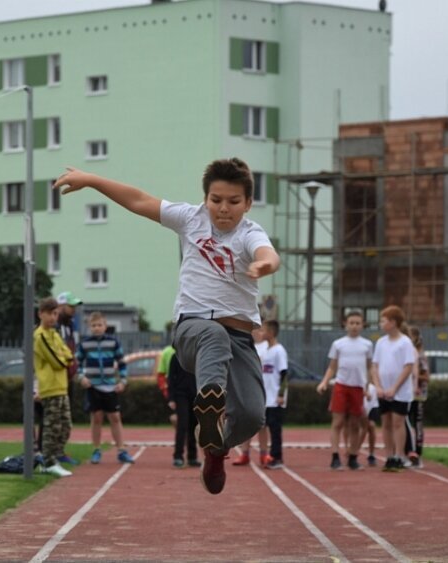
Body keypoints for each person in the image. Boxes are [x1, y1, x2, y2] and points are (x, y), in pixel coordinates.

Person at [55, 158, 280, 494]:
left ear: (248, 203)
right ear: (206, 199)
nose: (223, 209)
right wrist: (91, 179)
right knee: (213, 335)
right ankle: (210, 400)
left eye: (233, 202)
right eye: (216, 200)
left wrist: (264, 264)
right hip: (193, 331)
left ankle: (215, 448)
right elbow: (139, 200)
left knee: (251, 415)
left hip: (239, 336)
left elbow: (268, 254)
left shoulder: (251, 233)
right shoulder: (190, 219)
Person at [317, 310, 373, 470]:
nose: (354, 326)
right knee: (338, 422)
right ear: (345, 324)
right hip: (341, 385)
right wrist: (324, 382)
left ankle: (353, 457)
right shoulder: (338, 344)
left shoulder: (367, 345)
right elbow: (332, 367)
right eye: (351, 323)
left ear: (362, 325)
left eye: (357, 323)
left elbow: (369, 368)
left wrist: (367, 387)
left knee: (355, 424)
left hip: (357, 388)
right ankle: (335, 456)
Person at [76, 311, 135, 465]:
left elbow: (121, 362)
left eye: (99, 325)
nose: (97, 328)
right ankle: (96, 449)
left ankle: (121, 450)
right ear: (90, 327)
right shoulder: (85, 344)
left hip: (110, 386)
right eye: (93, 325)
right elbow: (77, 363)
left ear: (105, 326)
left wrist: (122, 381)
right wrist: (82, 377)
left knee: (115, 418)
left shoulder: (113, 342)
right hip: (93, 386)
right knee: (96, 418)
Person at [34, 297, 76, 477]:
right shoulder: (40, 335)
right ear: (40, 314)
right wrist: (65, 358)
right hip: (50, 387)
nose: (53, 317)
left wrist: (66, 358)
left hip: (62, 386)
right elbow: (58, 361)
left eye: (55, 313)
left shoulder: (55, 334)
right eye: (49, 313)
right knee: (51, 426)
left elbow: (68, 353)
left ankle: (54, 456)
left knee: (65, 425)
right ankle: (48, 461)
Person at [371, 305, 414, 472]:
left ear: (393, 322)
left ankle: (399, 455)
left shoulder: (405, 342)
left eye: (384, 320)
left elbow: (408, 367)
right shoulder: (381, 342)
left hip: (400, 392)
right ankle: (389, 455)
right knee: (386, 423)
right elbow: (374, 366)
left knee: (398, 422)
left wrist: (395, 388)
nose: (381, 324)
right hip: (383, 391)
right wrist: (378, 386)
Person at [231, 325, 270, 467]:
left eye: (261, 330)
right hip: (247, 385)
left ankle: (264, 453)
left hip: (264, 388)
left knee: (262, 423)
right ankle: (245, 453)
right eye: (256, 330)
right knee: (245, 420)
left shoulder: (267, 347)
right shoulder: (246, 345)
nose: (258, 333)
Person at [55, 291, 83, 465]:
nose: (73, 309)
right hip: (57, 377)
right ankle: (49, 452)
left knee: (65, 416)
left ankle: (59, 450)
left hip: (68, 376)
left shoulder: (71, 325)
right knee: (54, 417)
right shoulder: (55, 326)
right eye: (70, 306)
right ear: (60, 306)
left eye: (74, 306)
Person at [260, 320, 288, 469]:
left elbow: (284, 373)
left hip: (275, 398)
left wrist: (281, 394)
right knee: (267, 426)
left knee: (275, 428)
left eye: (263, 330)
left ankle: (277, 457)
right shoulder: (266, 351)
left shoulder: (279, 350)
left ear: (270, 333)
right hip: (266, 398)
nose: (261, 332)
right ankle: (271, 455)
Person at [167, 354, 201, 468]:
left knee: (193, 424)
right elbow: (171, 377)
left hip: (196, 394)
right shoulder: (176, 356)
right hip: (180, 394)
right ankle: (178, 456)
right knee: (182, 424)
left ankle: (192, 457)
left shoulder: (198, 356)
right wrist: (171, 398)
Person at [404, 326, 429, 468]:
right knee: (404, 422)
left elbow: (426, 376)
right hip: (406, 394)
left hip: (418, 395)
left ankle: (418, 453)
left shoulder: (419, 355)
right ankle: (407, 451)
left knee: (417, 424)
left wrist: (413, 375)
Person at [156, 342, 178, 429]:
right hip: (174, 387)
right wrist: (165, 390)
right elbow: (161, 374)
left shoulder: (166, 351)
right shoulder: (167, 352)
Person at [360, 381, 381, 466]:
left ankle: (371, 455)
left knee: (371, 426)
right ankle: (353, 451)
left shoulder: (373, 388)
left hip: (372, 405)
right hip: (360, 405)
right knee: (361, 428)